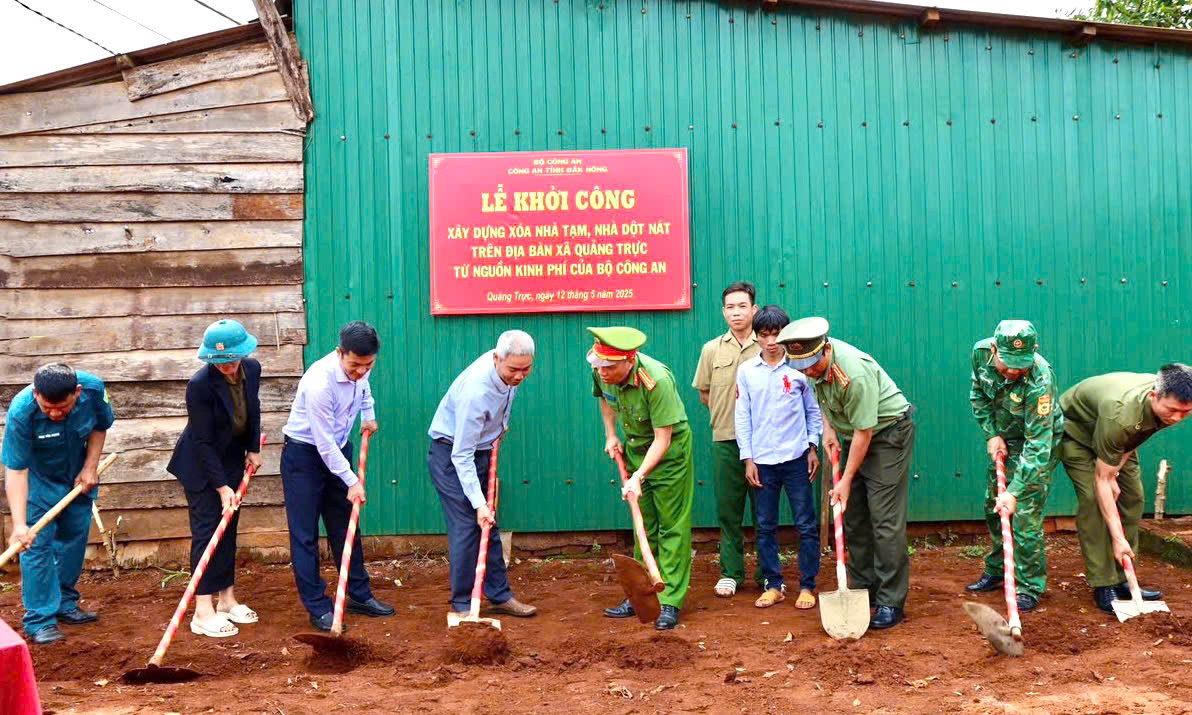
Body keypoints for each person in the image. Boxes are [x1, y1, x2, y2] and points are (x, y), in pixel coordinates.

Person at [777, 317, 916, 630]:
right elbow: (824, 399)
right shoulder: (809, 365)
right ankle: (864, 590)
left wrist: (845, 481)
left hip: (887, 435)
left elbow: (865, 432)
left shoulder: (853, 373)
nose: (808, 371)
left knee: (884, 521)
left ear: (826, 348)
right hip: (856, 435)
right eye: (802, 366)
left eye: (813, 364)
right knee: (853, 518)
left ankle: (891, 602)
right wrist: (828, 429)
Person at [280, 321, 394, 632]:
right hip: (305, 456)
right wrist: (353, 482)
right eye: (354, 364)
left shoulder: (363, 368)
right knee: (305, 535)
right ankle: (318, 607)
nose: (360, 370)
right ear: (339, 353)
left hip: (339, 449)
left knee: (347, 527)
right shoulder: (320, 382)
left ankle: (358, 595)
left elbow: (364, 387)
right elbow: (323, 443)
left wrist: (368, 414)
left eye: (367, 364)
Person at [1059, 363, 1192, 612]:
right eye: (1173, 411)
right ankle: (1103, 583)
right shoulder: (1122, 413)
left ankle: (1123, 578)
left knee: (1133, 498)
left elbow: (1135, 437)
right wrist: (1117, 537)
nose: (1177, 418)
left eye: (1185, 413)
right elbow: (1101, 479)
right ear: (1154, 396)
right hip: (1077, 432)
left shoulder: (1167, 406)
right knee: (1094, 500)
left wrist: (1115, 472)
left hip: (1117, 439)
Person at [427, 330, 538, 619]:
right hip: (452, 456)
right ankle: (464, 605)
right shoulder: (475, 393)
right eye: (513, 370)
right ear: (496, 359)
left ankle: (499, 595)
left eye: (526, 369)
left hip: (482, 449)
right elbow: (460, 455)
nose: (519, 376)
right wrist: (478, 503)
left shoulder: (510, 362)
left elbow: (507, 395)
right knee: (468, 525)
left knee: (490, 524)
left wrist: (501, 425)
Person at [590, 327, 694, 630]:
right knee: (643, 525)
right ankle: (641, 596)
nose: (603, 372)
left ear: (629, 361)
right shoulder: (601, 369)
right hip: (635, 449)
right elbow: (606, 400)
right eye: (599, 366)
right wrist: (611, 435)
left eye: (610, 367)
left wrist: (639, 475)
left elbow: (663, 438)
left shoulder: (656, 380)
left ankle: (671, 600)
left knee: (671, 526)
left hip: (669, 456)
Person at [2, 363, 114, 645]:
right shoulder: (21, 412)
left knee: (73, 538)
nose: (54, 413)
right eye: (47, 407)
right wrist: (19, 525)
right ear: (36, 393)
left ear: (76, 393)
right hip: (38, 483)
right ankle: (40, 620)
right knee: (36, 545)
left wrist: (90, 467)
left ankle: (65, 604)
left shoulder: (93, 390)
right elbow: (16, 470)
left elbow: (100, 427)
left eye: (61, 408)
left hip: (77, 476)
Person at [166, 319, 265, 638]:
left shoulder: (252, 369)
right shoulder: (200, 385)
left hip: (232, 458)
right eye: (219, 360)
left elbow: (254, 408)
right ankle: (203, 611)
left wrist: (253, 448)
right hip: (200, 466)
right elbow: (202, 441)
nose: (227, 366)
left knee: (229, 529)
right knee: (208, 533)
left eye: (231, 359)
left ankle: (227, 600)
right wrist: (221, 487)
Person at [966, 320, 1064, 612]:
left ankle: (1029, 585)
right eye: (1006, 364)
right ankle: (998, 569)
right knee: (993, 506)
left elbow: (1038, 446)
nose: (1012, 372)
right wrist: (992, 433)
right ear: (994, 349)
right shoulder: (980, 354)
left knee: (1023, 514)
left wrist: (1016, 491)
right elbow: (979, 396)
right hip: (1004, 437)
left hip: (1038, 441)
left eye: (1020, 365)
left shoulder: (1040, 380)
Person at [735, 306, 823, 610]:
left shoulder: (799, 369)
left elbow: (814, 411)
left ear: (785, 336)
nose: (771, 341)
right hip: (762, 461)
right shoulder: (746, 372)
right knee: (765, 524)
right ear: (756, 337)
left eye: (776, 334)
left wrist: (812, 446)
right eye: (764, 335)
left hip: (797, 457)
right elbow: (742, 416)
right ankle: (773, 584)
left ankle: (807, 585)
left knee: (806, 524)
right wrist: (748, 458)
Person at [692, 280, 762, 598]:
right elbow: (706, 394)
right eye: (730, 307)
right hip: (725, 439)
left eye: (742, 306)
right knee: (728, 510)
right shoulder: (711, 349)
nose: (736, 312)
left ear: (754, 309)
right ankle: (731, 572)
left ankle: (768, 574)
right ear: (723, 312)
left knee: (765, 511)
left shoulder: (769, 345)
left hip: (765, 443)